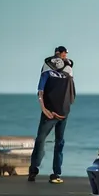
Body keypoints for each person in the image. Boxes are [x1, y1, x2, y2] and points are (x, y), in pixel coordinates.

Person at [28, 46, 76, 184]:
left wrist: (66, 108)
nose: (65, 55)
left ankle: (55, 173)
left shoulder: (68, 68)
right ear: (59, 53)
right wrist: (44, 109)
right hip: (51, 112)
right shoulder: (48, 67)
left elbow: (71, 90)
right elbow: (41, 90)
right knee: (42, 140)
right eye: (64, 53)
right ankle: (34, 170)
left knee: (58, 142)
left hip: (62, 112)